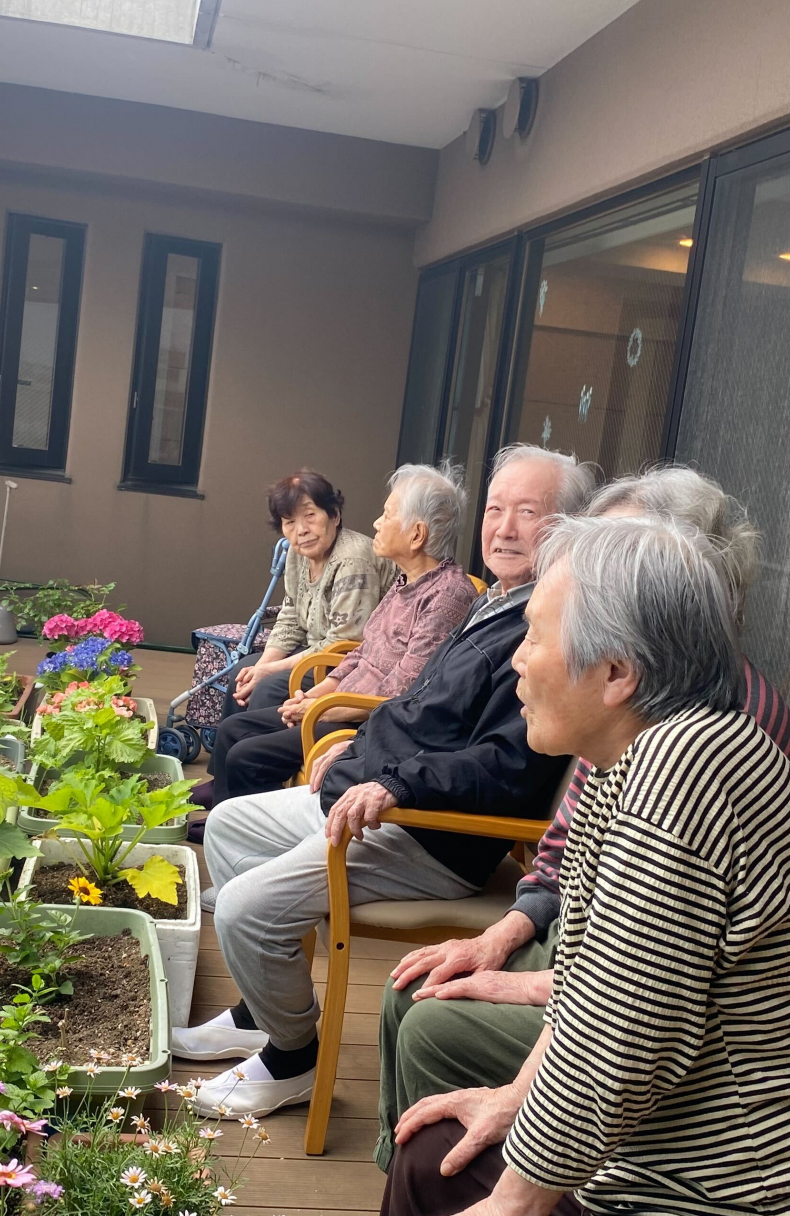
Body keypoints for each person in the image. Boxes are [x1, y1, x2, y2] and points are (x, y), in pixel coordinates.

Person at [364, 516, 790, 1216]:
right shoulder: (625, 762)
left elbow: (619, 1049)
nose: (516, 659)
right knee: (433, 1161)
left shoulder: (683, 772)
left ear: (617, 673)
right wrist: (515, 1101)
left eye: (534, 636)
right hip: (681, 1182)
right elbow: (595, 992)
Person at [172, 445, 597, 1116]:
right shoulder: (497, 601)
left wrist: (394, 781)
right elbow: (414, 703)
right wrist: (354, 744)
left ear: (568, 529)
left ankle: (293, 1058)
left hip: (424, 831)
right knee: (228, 824)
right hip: (375, 791)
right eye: (496, 510)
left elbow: (504, 766)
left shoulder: (546, 632)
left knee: (245, 907)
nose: (504, 528)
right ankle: (263, 1010)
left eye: (528, 512)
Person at [203, 462, 479, 811]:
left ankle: (246, 828)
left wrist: (320, 709)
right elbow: (361, 653)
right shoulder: (406, 581)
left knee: (247, 754)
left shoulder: (447, 596)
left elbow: (403, 692)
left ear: (416, 535)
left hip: (365, 722)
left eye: (387, 515)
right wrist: (314, 696)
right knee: (233, 730)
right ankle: (222, 818)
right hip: (342, 703)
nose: (376, 523)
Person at [225, 470, 394, 717]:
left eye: (310, 515)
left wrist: (269, 672)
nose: (301, 530)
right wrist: (261, 666)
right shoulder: (298, 554)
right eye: (289, 522)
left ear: (334, 515)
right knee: (241, 674)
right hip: (314, 652)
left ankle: (261, 742)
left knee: (267, 688)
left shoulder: (353, 559)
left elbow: (343, 644)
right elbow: (291, 617)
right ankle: (231, 741)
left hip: (348, 664)